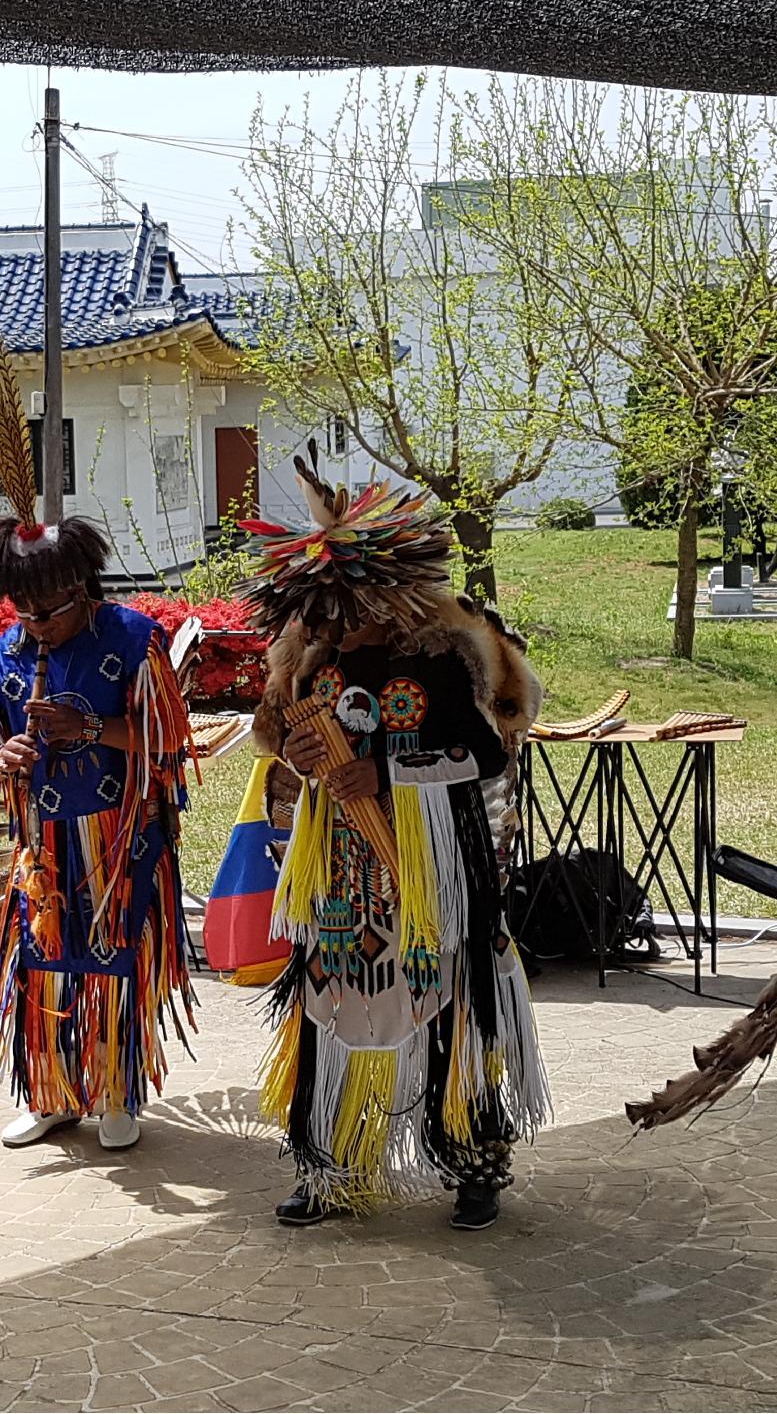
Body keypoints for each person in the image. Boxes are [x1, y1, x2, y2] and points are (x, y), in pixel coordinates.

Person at [241, 455, 547, 1230]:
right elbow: (279, 743)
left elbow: (483, 753)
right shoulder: (313, 664)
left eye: (347, 610)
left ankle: (473, 1161)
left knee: (453, 1004)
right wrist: (298, 758)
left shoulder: (437, 659)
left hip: (431, 869)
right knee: (327, 1007)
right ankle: (329, 1164)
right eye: (324, 614)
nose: (336, 627)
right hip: (336, 870)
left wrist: (387, 774)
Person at [0, 512, 196, 1151]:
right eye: (23, 613)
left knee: (115, 959)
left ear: (84, 589)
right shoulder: (2, 657)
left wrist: (87, 729)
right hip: (45, 844)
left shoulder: (131, 640)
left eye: (49, 613)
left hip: (120, 837)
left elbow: (171, 738)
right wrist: (2, 757)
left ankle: (119, 1092)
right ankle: (54, 1094)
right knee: (43, 964)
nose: (36, 626)